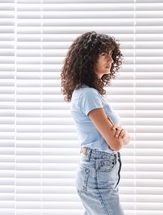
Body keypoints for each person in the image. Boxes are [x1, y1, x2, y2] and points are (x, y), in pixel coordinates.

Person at [61, 31, 130, 215]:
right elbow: (115, 143)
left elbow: (124, 138)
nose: (111, 59)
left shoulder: (91, 93)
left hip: (101, 173)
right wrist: (119, 136)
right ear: (89, 58)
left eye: (111, 54)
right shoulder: (88, 95)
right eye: (104, 54)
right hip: (97, 176)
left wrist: (120, 135)